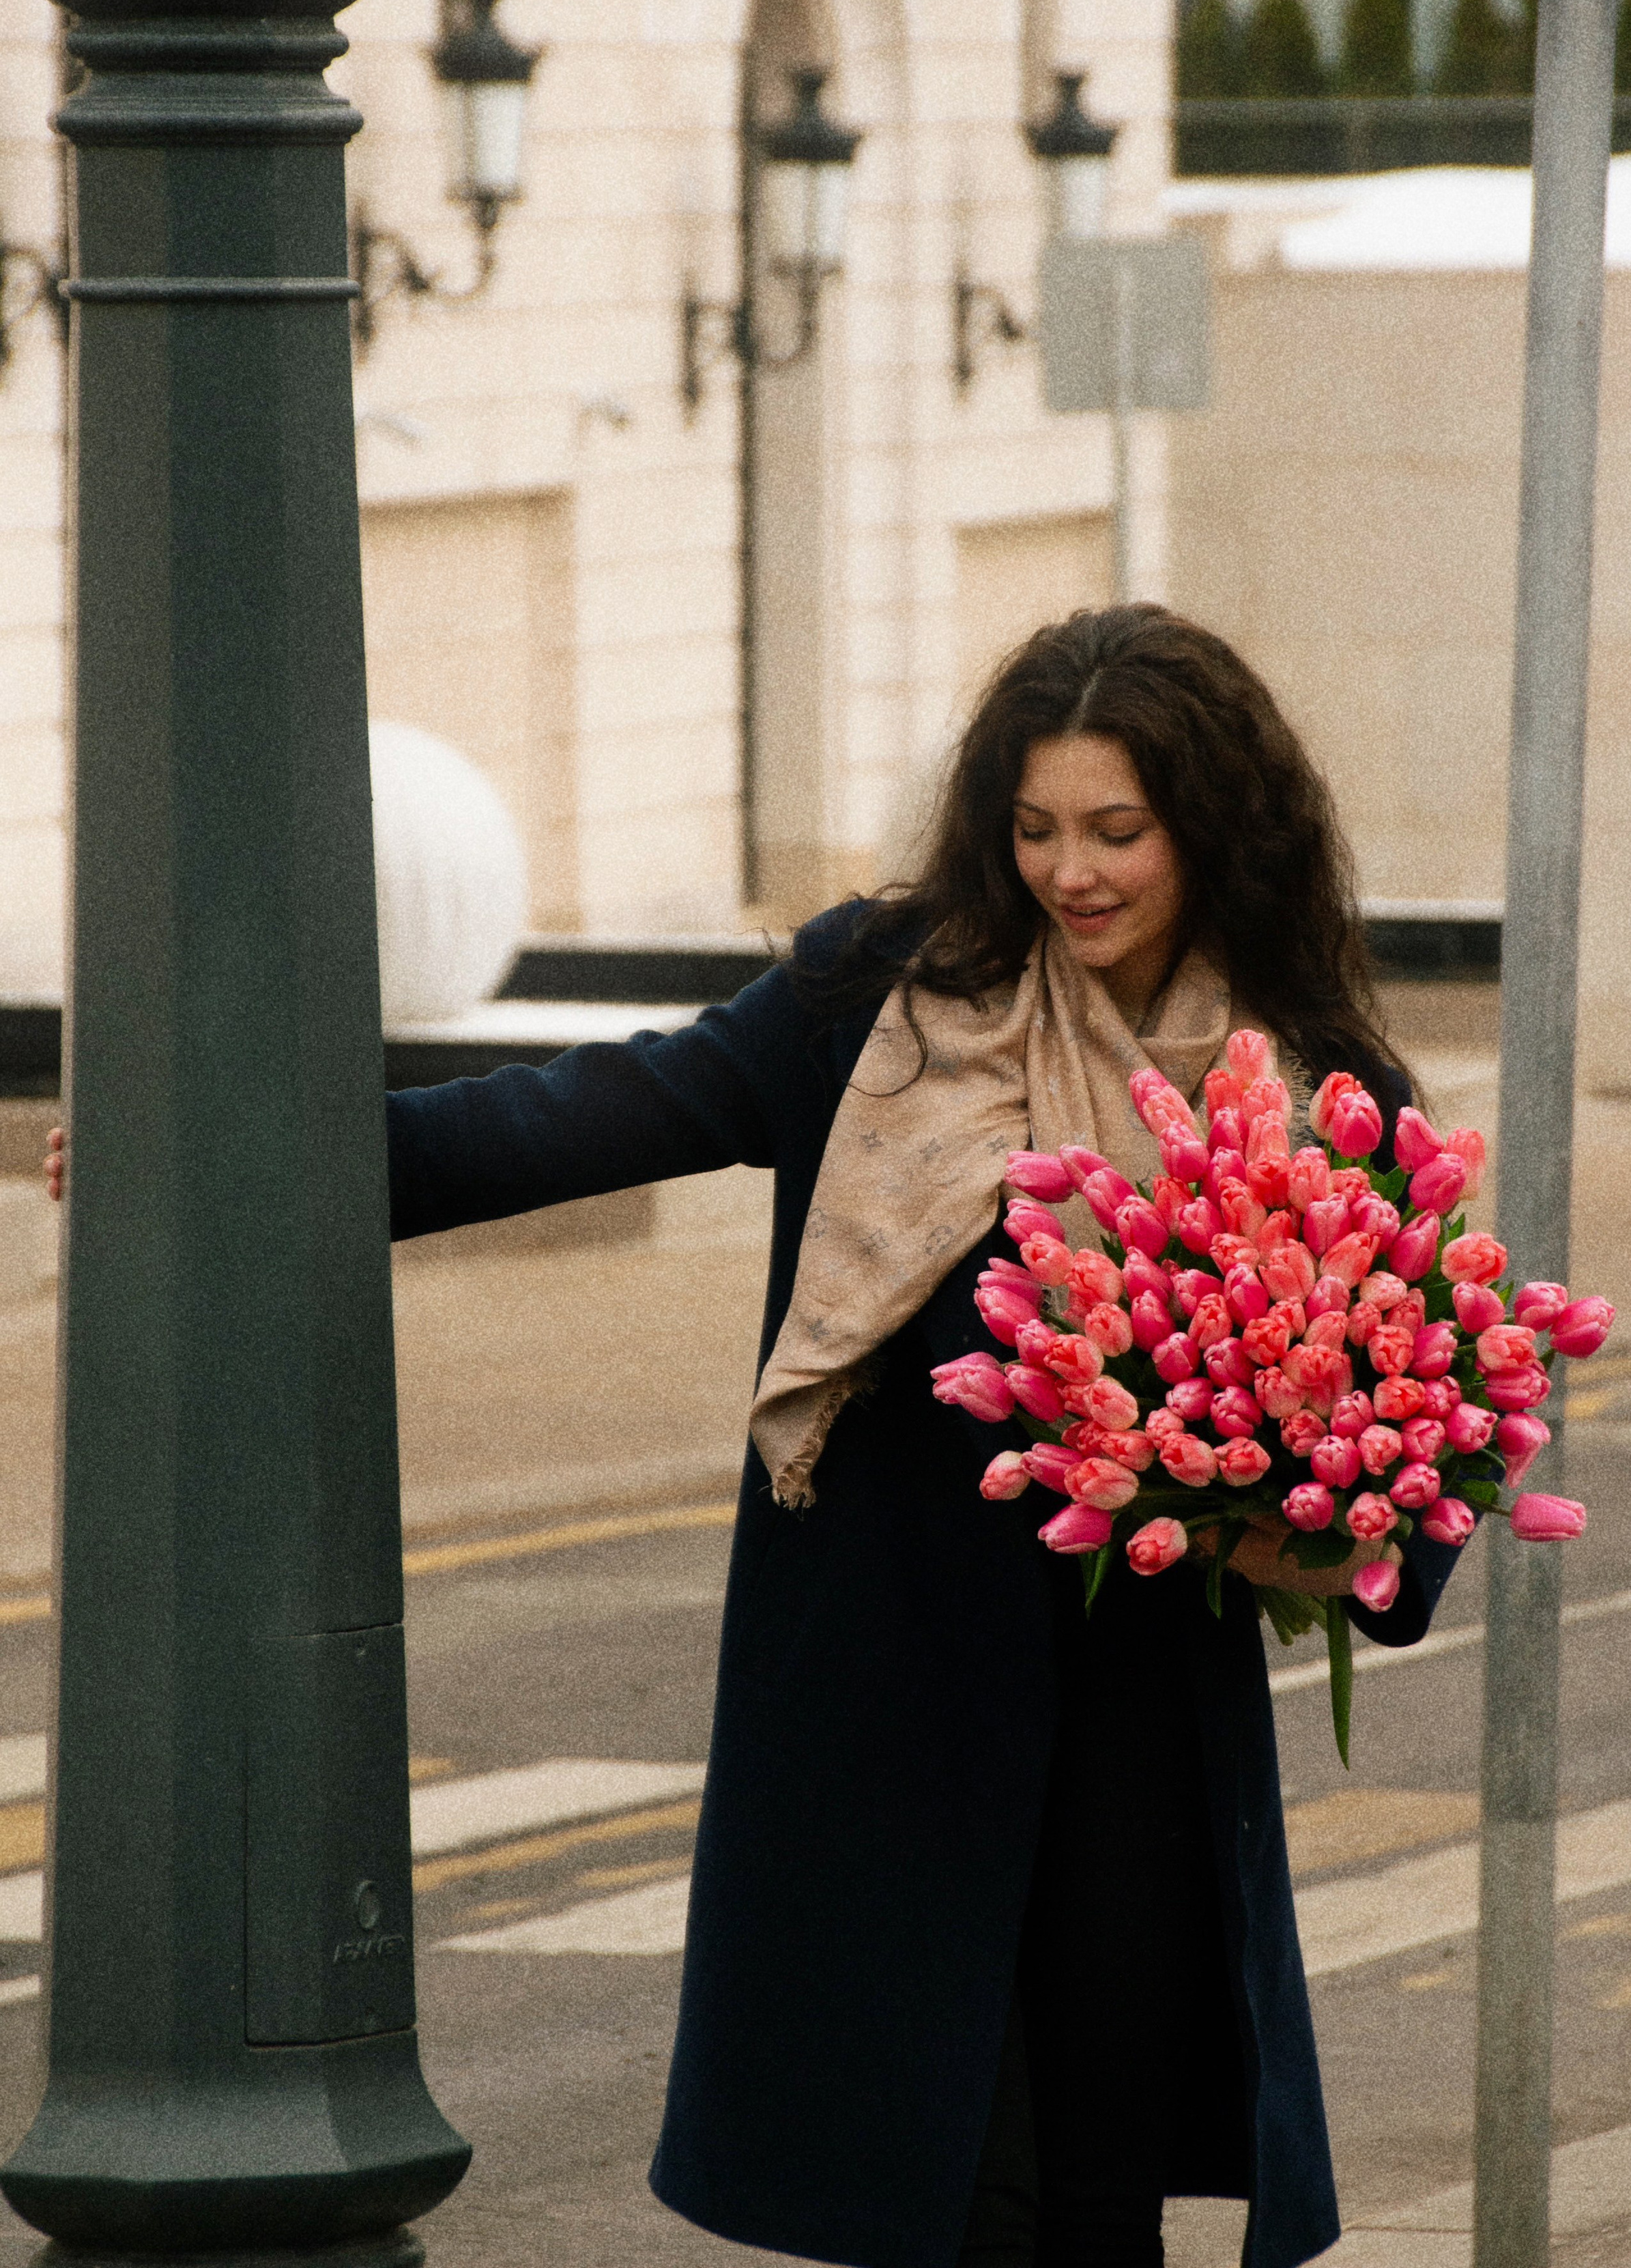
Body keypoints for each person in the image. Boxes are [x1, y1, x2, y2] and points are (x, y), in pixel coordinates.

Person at [44, 605, 1464, 2268]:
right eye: (1030, 830)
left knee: (1097, 2187)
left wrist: (1316, 1530)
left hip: (1137, 1725)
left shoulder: (1309, 1088)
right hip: (880, 1701)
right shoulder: (885, 997)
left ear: (1209, 832)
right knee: (945, 2192)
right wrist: (214, 1160)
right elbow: (592, 1111)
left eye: (1112, 833)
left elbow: (1417, 1411)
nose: (1066, 872)